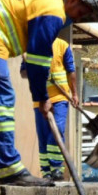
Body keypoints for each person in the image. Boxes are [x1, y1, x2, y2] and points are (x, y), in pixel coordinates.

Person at [0, 0, 98, 187]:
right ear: (73, 0)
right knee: (0, 102)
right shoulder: (53, 11)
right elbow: (37, 62)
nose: (78, 19)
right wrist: (42, 98)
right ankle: (11, 169)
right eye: (80, 13)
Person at [35, 36, 77, 180]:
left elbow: (71, 70)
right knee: (43, 135)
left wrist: (74, 93)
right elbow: (23, 73)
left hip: (60, 97)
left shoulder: (62, 45)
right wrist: (33, 69)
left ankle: (57, 168)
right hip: (40, 99)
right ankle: (46, 171)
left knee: (57, 129)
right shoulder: (33, 44)